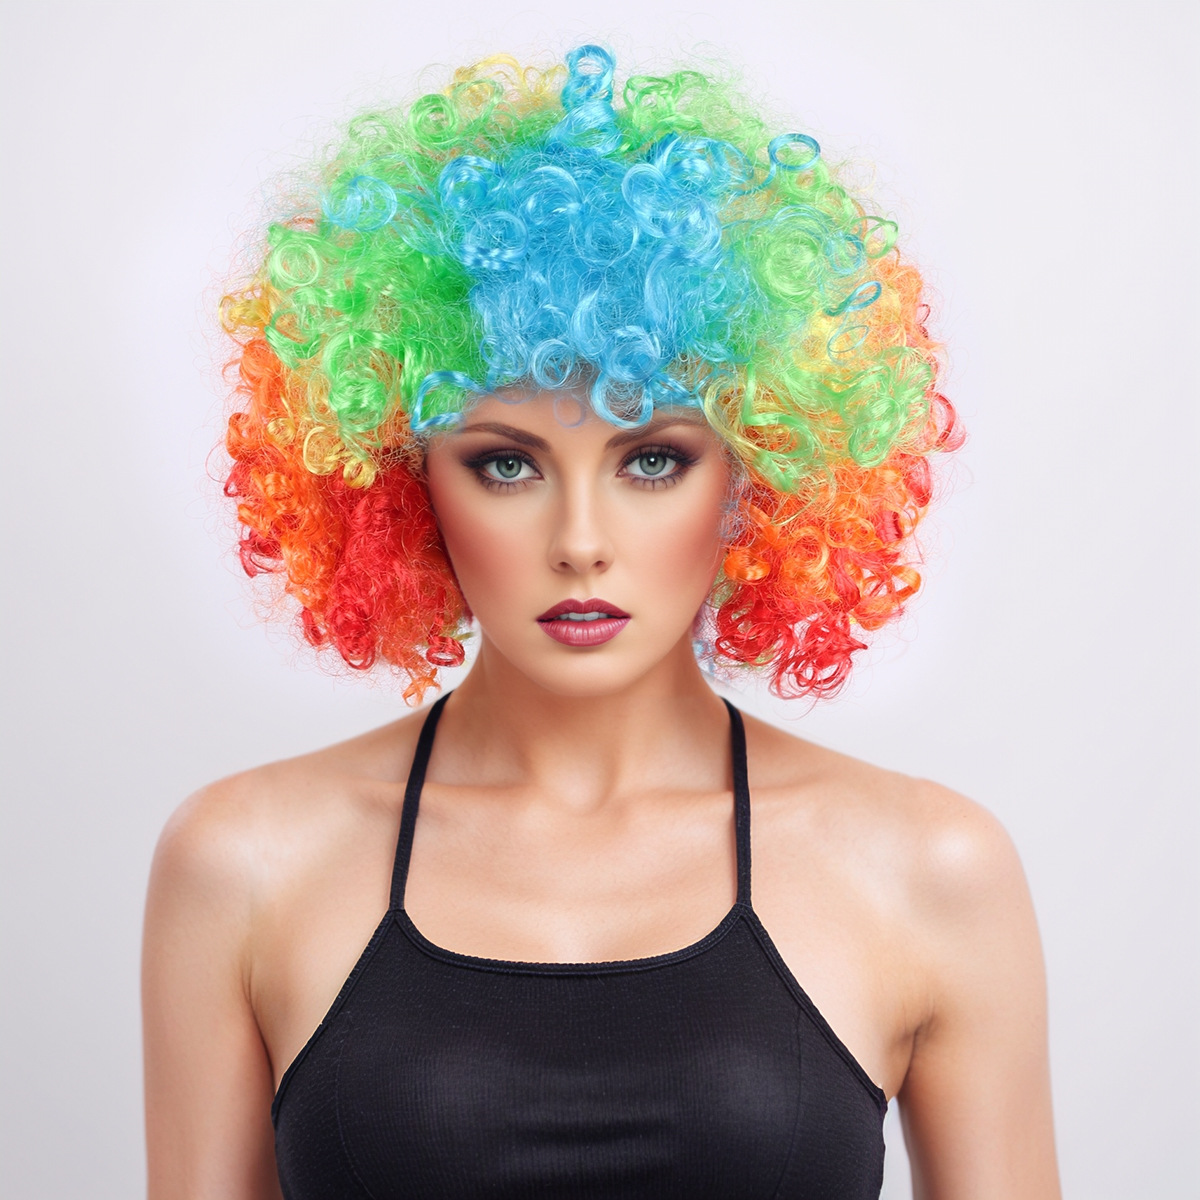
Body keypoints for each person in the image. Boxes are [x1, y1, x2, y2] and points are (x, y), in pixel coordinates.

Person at [142, 45, 1061, 1199]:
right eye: (506, 465)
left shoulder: (930, 871)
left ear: (761, 472)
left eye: (653, 460)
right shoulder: (244, 865)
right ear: (400, 482)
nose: (580, 540)